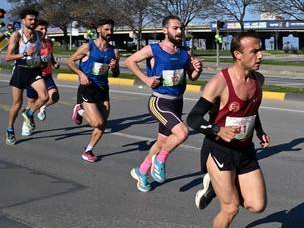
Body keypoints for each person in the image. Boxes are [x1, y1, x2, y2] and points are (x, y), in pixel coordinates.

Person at [186, 31, 270, 228]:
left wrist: (259, 131)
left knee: (257, 206)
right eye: (254, 51)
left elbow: (251, 108)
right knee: (231, 207)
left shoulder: (258, 80)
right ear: (237, 54)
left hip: (244, 150)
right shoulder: (219, 83)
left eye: (260, 50)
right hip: (219, 150)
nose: (260, 55)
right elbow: (193, 118)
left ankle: (217, 185)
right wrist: (216, 130)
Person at [124, 15, 203, 192]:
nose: (180, 31)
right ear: (165, 30)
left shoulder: (185, 52)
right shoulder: (154, 49)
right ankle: (160, 160)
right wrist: (146, 79)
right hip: (159, 102)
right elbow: (129, 61)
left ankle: (141, 171)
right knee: (182, 133)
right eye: (175, 28)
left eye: (181, 28)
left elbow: (193, 76)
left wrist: (198, 69)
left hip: (177, 103)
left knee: (162, 142)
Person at [65, 18, 119, 163]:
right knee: (97, 123)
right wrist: (81, 74)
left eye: (111, 29)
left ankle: (87, 150)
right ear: (99, 30)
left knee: (103, 124)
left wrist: (114, 67)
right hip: (88, 87)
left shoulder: (114, 51)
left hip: (103, 89)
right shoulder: (88, 47)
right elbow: (69, 61)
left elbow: (116, 74)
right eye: (106, 29)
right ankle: (80, 110)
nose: (110, 32)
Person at [3, 9, 49, 145]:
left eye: (35, 19)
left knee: (45, 97)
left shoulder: (39, 34)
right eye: (30, 19)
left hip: (34, 70)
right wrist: (25, 53)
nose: (33, 22)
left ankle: (29, 114)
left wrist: (43, 59)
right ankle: (10, 129)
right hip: (20, 71)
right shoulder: (16, 35)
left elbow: (38, 51)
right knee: (16, 104)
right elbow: (7, 57)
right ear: (23, 21)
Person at [24, 19, 60, 127]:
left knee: (54, 97)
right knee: (31, 103)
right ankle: (26, 125)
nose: (44, 31)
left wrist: (54, 63)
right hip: (33, 77)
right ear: (34, 30)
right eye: (41, 29)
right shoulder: (31, 43)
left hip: (47, 75)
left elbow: (50, 54)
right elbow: (25, 59)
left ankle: (42, 106)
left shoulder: (49, 42)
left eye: (45, 29)